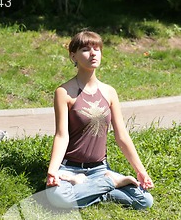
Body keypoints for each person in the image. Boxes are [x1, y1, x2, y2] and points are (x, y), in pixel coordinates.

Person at [46, 30, 154, 210]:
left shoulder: (109, 92)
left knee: (145, 201)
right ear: (73, 56)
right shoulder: (64, 92)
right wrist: (53, 170)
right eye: (86, 49)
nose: (93, 53)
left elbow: (122, 136)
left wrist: (141, 171)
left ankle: (95, 186)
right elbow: (61, 135)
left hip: (99, 169)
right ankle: (106, 185)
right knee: (58, 198)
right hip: (70, 169)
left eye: (97, 49)